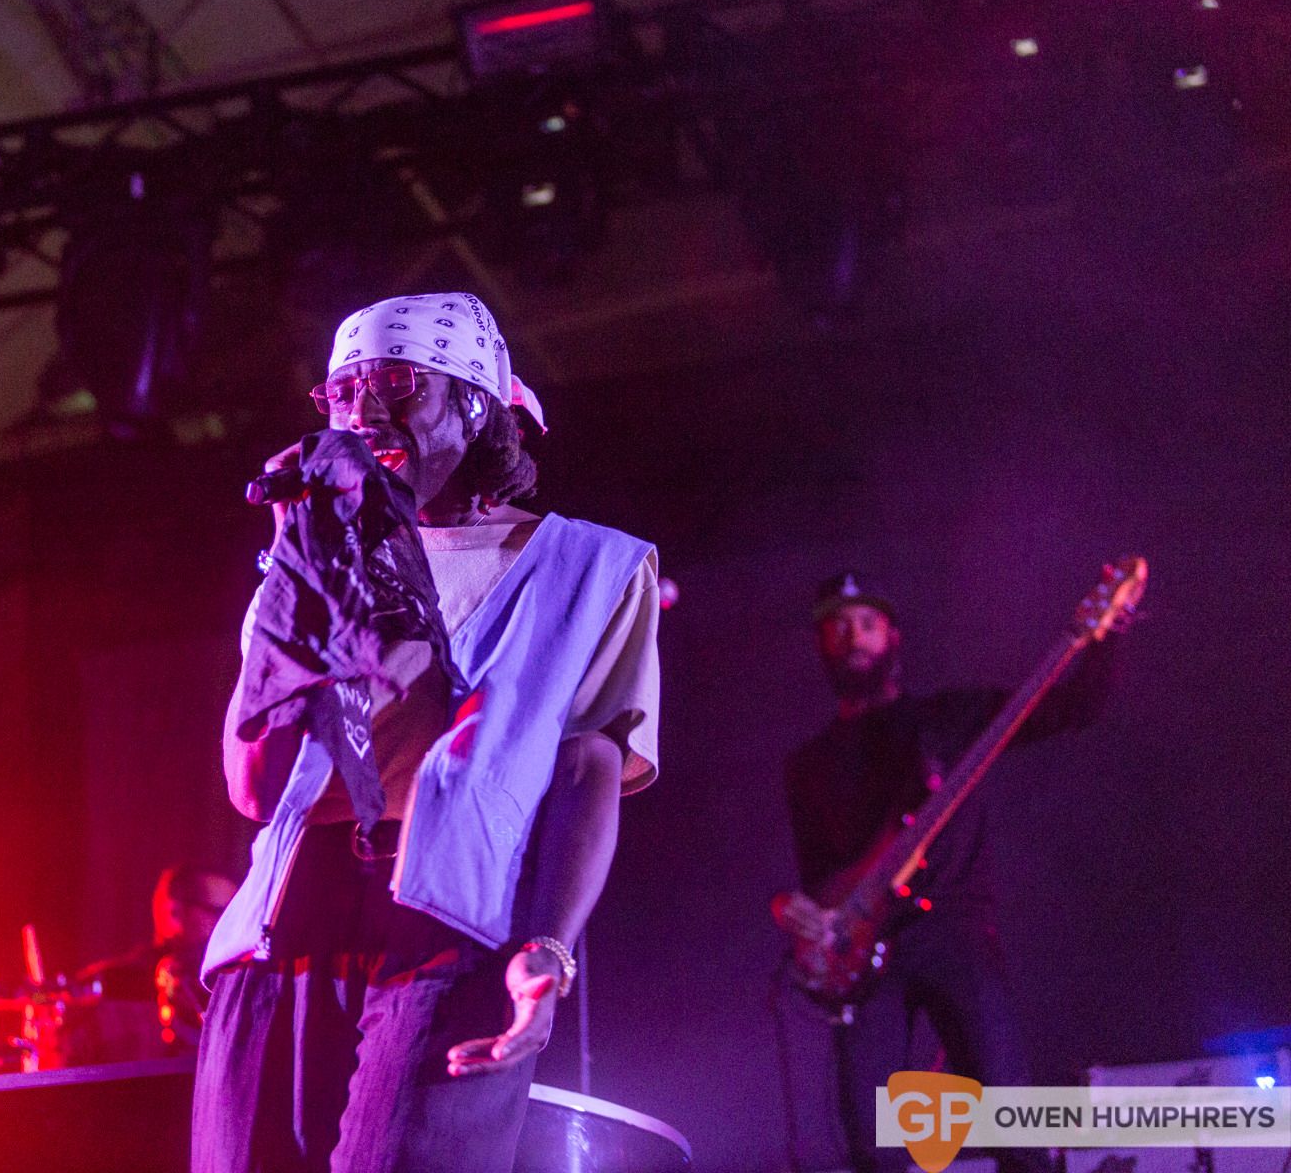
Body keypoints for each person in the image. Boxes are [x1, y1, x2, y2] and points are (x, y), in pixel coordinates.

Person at [191, 292, 661, 1173]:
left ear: (476, 404)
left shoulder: (590, 567)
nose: (363, 411)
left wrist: (548, 948)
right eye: (342, 392)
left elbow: (587, 767)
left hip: (451, 924)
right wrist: (296, 574)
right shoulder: (308, 563)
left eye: (398, 383)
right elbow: (256, 790)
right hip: (284, 928)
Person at [778, 572, 1115, 1173]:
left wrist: (1106, 637)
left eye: (866, 624)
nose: (853, 637)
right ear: (820, 645)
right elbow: (819, 877)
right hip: (867, 954)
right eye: (838, 627)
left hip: (954, 933)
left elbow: (1075, 707)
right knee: (871, 1141)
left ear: (893, 637)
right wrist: (801, 914)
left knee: (1010, 1119)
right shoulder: (809, 763)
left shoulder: (947, 719)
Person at [68, 865, 239, 1063]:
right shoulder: (105, 989)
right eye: (221, 912)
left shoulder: (230, 985)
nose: (233, 925)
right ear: (174, 912)